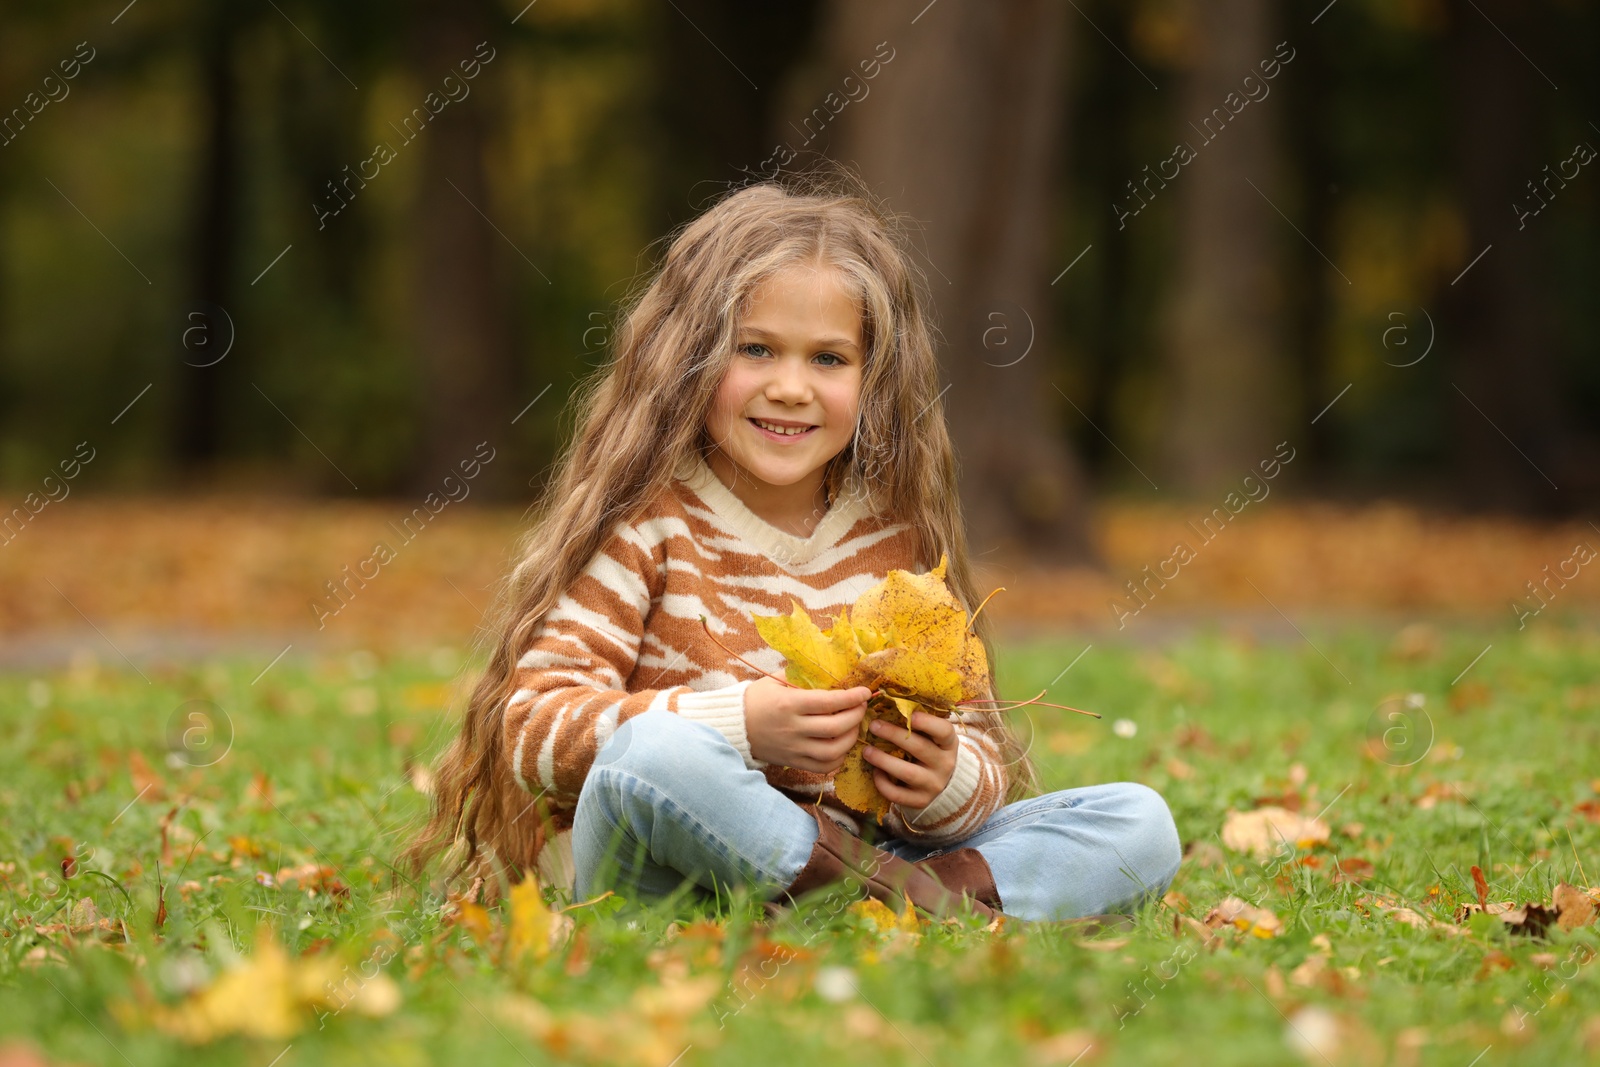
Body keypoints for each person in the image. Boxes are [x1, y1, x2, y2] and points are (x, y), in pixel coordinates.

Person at [402, 166, 1181, 923]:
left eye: (829, 358)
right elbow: (533, 727)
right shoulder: (648, 526)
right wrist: (738, 723)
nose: (791, 386)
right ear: (689, 357)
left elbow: (977, 755)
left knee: (1138, 821)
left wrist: (939, 778)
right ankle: (899, 906)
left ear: (874, 378)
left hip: (865, 850)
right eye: (756, 349)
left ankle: (857, 904)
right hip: (663, 878)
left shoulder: (896, 539)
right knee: (652, 754)